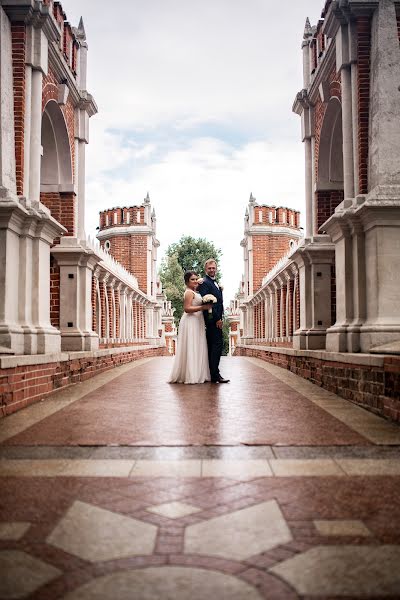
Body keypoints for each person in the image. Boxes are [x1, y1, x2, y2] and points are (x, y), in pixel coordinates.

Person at [168, 271, 212, 384]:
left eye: (196, 279)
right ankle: (191, 375)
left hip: (198, 320)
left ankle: (198, 373)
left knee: (198, 345)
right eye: (192, 279)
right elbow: (187, 309)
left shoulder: (195, 291)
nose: (195, 281)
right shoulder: (188, 293)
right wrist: (203, 307)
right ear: (187, 281)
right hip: (190, 321)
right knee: (191, 345)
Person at [197, 259, 230, 383]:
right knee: (216, 347)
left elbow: (219, 303)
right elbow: (208, 303)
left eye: (213, 268)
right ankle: (215, 375)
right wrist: (217, 319)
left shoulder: (215, 283)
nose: (211, 270)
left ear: (216, 268)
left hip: (217, 318)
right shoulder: (205, 283)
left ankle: (214, 373)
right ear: (206, 269)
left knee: (214, 347)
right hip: (212, 320)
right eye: (209, 268)